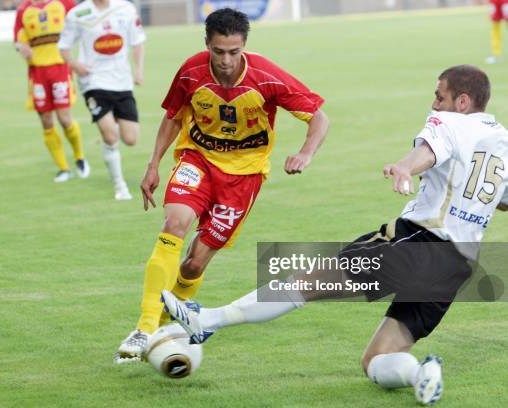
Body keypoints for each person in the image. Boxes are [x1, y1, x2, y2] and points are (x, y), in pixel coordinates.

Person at [162, 65, 508, 405]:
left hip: (417, 243)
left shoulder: (448, 122)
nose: (434, 104)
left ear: (462, 102)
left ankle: (208, 321)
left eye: (440, 96)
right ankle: (422, 374)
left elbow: (427, 153)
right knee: (375, 359)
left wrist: (405, 166)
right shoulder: (502, 141)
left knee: (306, 282)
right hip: (456, 266)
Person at [114, 7, 329, 362]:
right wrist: (153, 164)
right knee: (175, 223)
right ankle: (145, 326)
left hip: (243, 178)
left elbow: (318, 116)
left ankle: (173, 320)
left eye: (234, 52)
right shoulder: (191, 71)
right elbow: (173, 115)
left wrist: (306, 153)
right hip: (196, 159)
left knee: (194, 265)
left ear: (244, 46)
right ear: (207, 45)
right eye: (218, 52)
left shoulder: (267, 76)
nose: (226, 61)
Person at [58, 0, 146, 200]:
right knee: (110, 136)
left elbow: (138, 40)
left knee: (131, 139)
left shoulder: (126, 9)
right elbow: (63, 46)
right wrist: (74, 64)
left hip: (122, 82)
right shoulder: (78, 14)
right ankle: (120, 186)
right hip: (93, 81)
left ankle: (109, 124)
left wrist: (138, 69)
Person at [14, 0, 91, 183]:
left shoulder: (65, 3)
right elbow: (17, 40)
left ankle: (79, 157)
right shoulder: (23, 10)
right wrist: (20, 47)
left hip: (59, 69)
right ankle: (63, 168)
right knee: (46, 121)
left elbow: (84, 23)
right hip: (37, 73)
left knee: (65, 119)